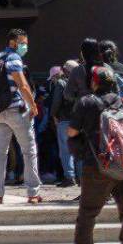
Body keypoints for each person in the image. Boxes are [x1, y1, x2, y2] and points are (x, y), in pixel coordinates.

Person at [68, 66, 123, 244]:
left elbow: (71, 132)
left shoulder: (86, 102)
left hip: (97, 164)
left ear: (94, 82)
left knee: (88, 212)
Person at [0, 28, 41, 204]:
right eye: (23, 43)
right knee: (29, 151)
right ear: (13, 42)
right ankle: (33, 193)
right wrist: (33, 105)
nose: (25, 46)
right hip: (15, 110)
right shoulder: (13, 58)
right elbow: (22, 85)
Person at [49, 59, 79, 188]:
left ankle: (69, 177)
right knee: (79, 149)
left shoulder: (61, 83)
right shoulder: (81, 83)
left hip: (65, 119)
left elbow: (56, 103)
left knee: (65, 150)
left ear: (66, 70)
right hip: (79, 120)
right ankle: (81, 177)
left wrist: (53, 115)